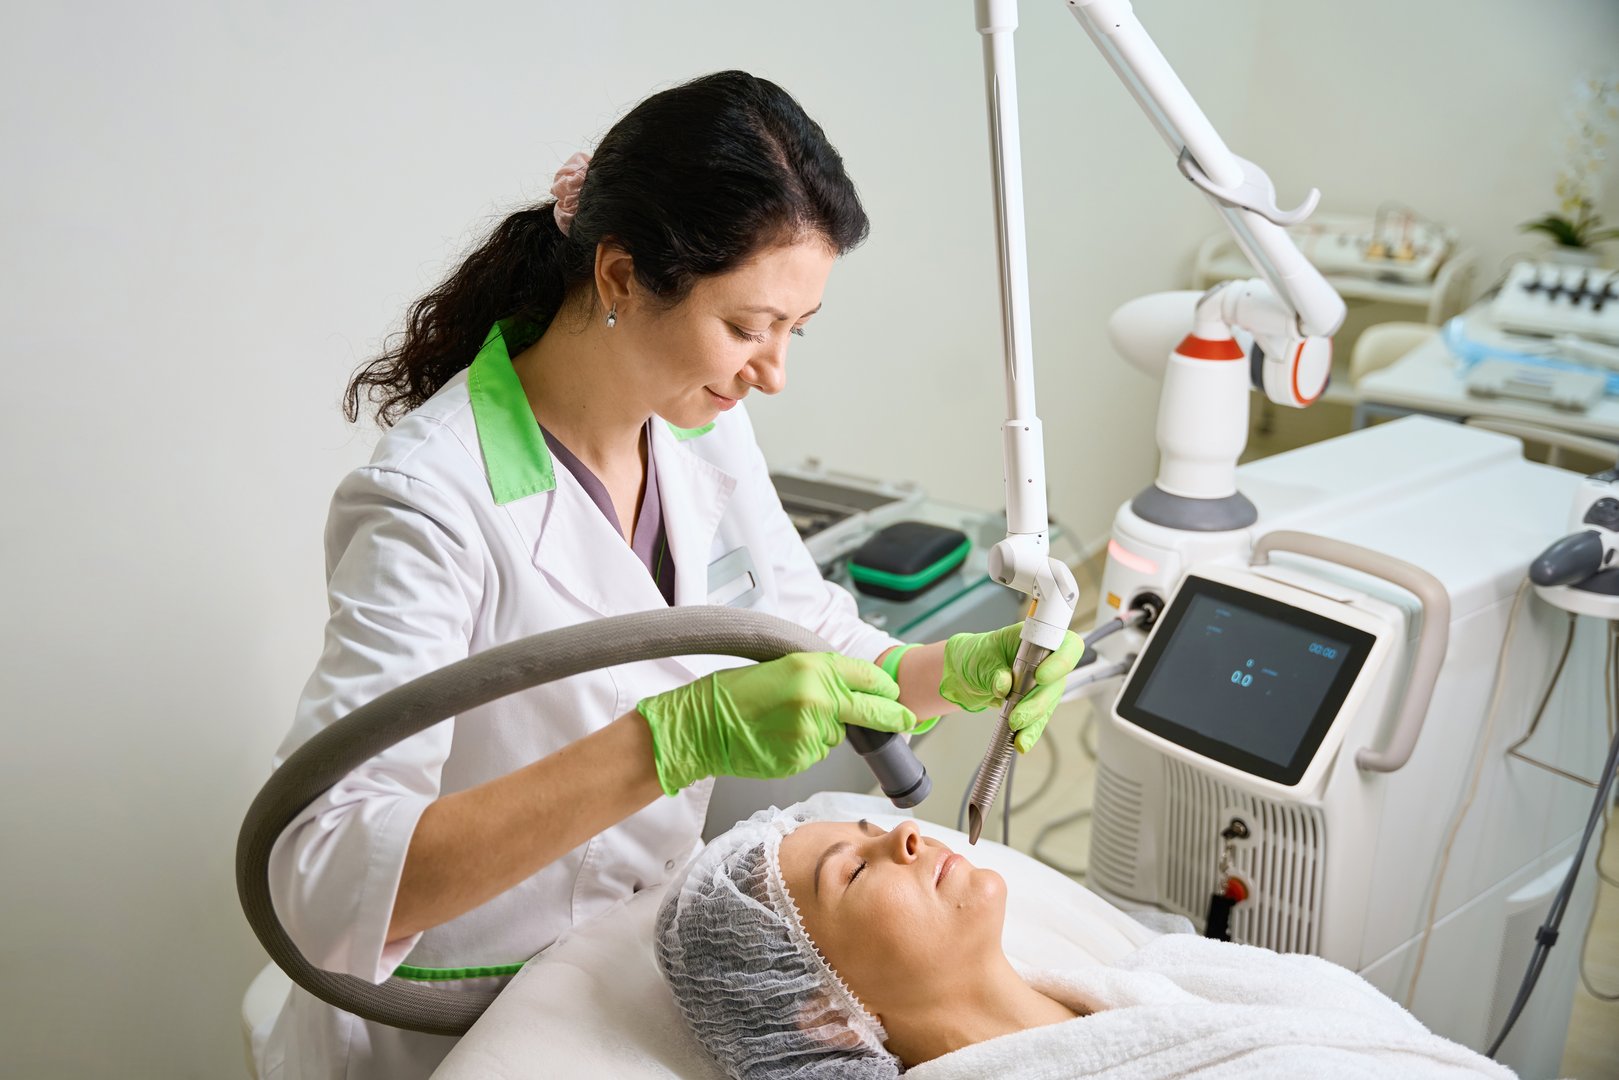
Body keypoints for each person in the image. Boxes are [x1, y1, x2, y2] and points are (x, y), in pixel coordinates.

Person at [259, 69, 1084, 1080]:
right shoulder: (429, 501)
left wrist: (949, 672)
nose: (772, 372)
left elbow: (799, 628)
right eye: (746, 327)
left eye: (793, 329)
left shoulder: (700, 430)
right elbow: (323, 879)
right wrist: (667, 742)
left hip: (620, 988)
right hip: (445, 1026)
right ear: (618, 276)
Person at [655, 804, 1519, 1079]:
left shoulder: (1172, 972)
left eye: (874, 828)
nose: (906, 835)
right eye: (850, 871)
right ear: (820, 1016)